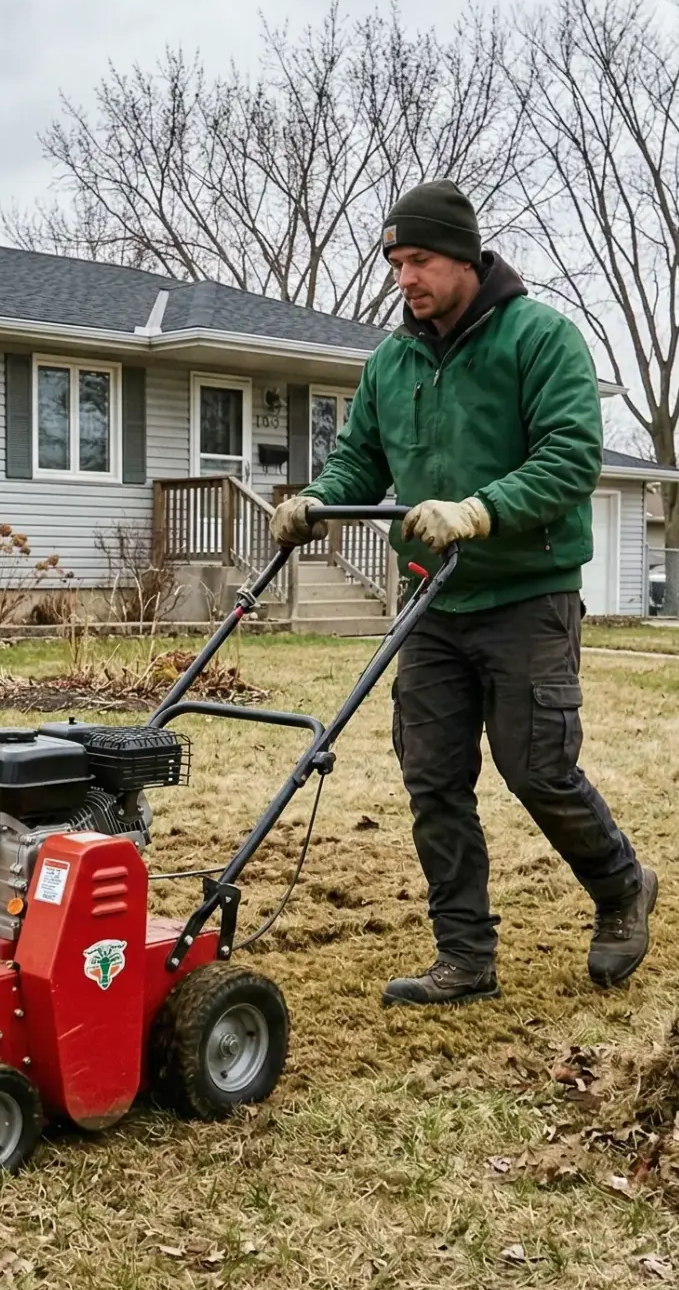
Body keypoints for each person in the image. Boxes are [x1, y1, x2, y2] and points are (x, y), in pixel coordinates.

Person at [276, 179, 656, 1005]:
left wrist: (483, 510)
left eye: (417, 260)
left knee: (537, 769)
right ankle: (465, 957)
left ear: (463, 256)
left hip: (527, 593)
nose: (403, 277)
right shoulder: (391, 360)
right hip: (432, 601)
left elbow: (568, 459)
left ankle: (623, 886)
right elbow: (362, 462)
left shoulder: (540, 338)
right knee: (434, 781)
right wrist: (317, 500)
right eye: (394, 262)